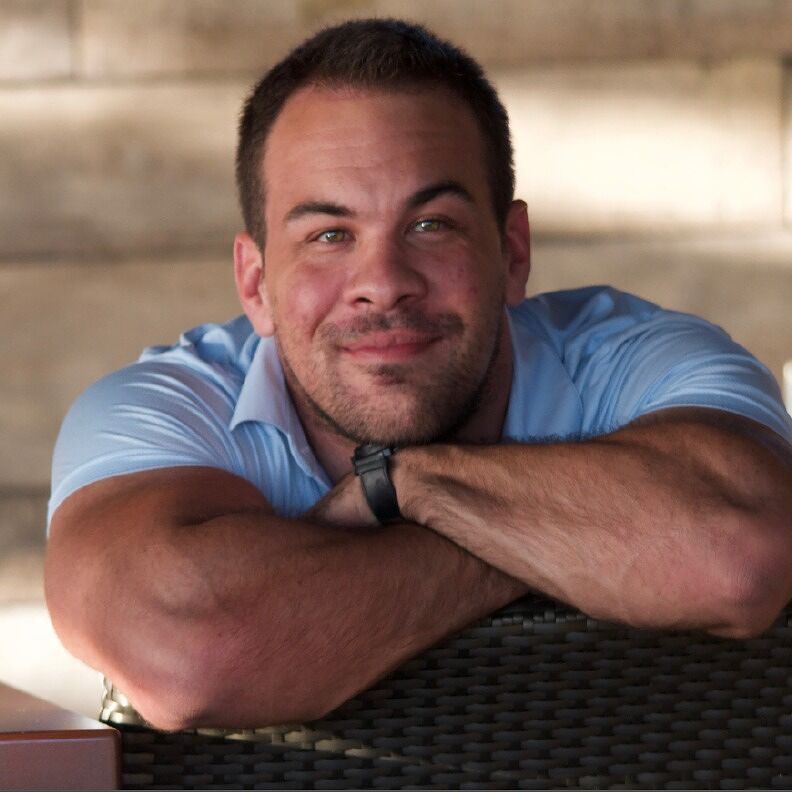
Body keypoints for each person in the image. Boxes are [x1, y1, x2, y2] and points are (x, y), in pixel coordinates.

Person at [45, 19, 792, 731]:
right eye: (330, 234)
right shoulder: (163, 407)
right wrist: (575, 537)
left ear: (513, 251)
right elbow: (188, 652)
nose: (384, 281)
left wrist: (404, 486)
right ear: (254, 283)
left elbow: (743, 555)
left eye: (431, 225)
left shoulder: (637, 357)